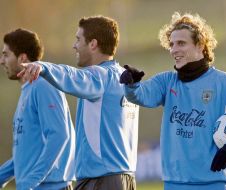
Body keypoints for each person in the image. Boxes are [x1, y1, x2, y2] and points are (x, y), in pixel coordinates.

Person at [119, 12, 226, 190]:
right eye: (172, 44)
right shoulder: (166, 82)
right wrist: (132, 84)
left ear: (200, 45)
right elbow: (141, 95)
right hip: (174, 184)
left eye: (181, 43)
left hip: (214, 184)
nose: (174, 49)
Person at [18, 16, 139, 190]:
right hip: (123, 179)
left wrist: (43, 67)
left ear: (93, 44)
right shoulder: (124, 77)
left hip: (101, 180)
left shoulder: (100, 76)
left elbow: (72, 76)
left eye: (78, 39)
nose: (74, 45)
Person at [0, 28, 75, 190]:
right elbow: (26, 154)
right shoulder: (28, 90)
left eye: (6, 55)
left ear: (22, 58)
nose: (1, 61)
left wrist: (30, 182)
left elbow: (60, 135)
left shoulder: (43, 85)